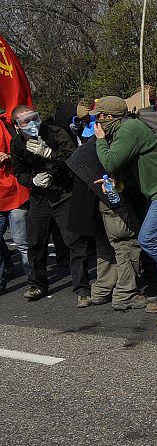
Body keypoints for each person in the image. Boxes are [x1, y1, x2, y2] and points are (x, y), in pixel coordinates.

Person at [93, 96, 157, 312]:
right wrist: (118, 182)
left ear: (108, 117)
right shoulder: (126, 128)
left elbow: (111, 161)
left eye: (99, 118)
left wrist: (100, 140)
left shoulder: (128, 129)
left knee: (148, 239)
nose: (97, 124)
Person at [10, 104, 91, 305]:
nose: (31, 124)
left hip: (64, 194)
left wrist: (49, 154)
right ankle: (37, 284)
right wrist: (33, 180)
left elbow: (73, 158)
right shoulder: (17, 144)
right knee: (35, 242)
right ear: (17, 126)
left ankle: (82, 288)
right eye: (25, 121)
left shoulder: (56, 132)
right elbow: (20, 173)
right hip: (40, 198)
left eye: (34, 117)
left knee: (74, 241)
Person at [67, 137, 143, 310]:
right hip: (108, 197)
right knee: (125, 242)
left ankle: (102, 290)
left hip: (93, 200)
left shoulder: (95, 139)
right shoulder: (114, 136)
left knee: (106, 243)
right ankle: (126, 294)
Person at [0, 112, 30, 290]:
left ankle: (35, 279)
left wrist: (9, 156)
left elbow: (26, 151)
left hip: (15, 193)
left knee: (22, 242)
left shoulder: (10, 126)